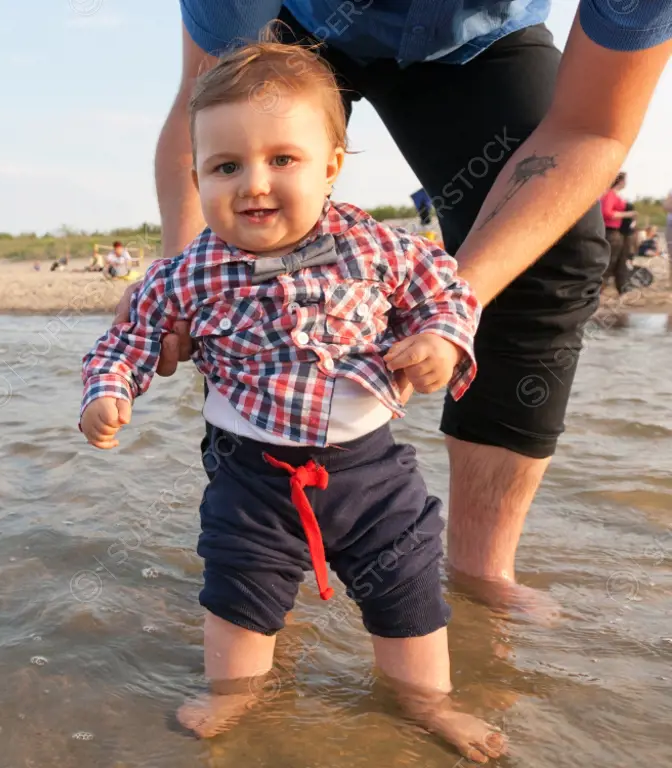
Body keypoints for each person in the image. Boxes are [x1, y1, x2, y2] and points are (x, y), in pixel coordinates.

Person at [113, 2, 672, 621]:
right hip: (296, 21)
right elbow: (204, 112)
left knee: (550, 262)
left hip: (476, 44)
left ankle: (479, 572)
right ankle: (259, 561)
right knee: (237, 272)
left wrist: (446, 315)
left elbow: (591, 126)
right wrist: (185, 286)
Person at [81, 42, 507, 763]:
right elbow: (130, 335)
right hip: (252, 473)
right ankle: (235, 695)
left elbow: (447, 291)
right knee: (238, 588)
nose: (253, 184)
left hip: (371, 470)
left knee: (405, 588)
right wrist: (109, 390)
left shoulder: (375, 246)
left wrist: (440, 341)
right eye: (226, 167)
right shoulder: (189, 272)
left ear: (331, 167)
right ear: (197, 178)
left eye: (283, 159)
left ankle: (428, 703)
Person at [600, 172, 637, 294]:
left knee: (621, 261)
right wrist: (628, 214)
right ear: (620, 181)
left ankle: (623, 290)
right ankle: (599, 290)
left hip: (618, 232)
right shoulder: (610, 195)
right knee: (610, 262)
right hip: (611, 232)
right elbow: (607, 213)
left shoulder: (615, 195)